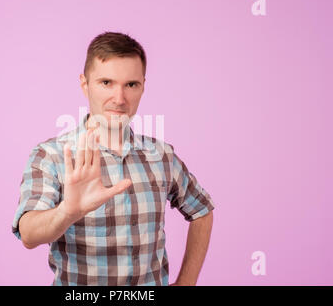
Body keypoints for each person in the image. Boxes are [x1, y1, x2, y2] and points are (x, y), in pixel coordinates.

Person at [11, 31, 215, 286]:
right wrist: (67, 212)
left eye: (131, 85)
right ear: (85, 85)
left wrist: (187, 281)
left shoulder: (162, 155)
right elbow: (29, 234)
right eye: (106, 82)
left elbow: (202, 210)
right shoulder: (51, 155)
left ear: (142, 87)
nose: (119, 99)